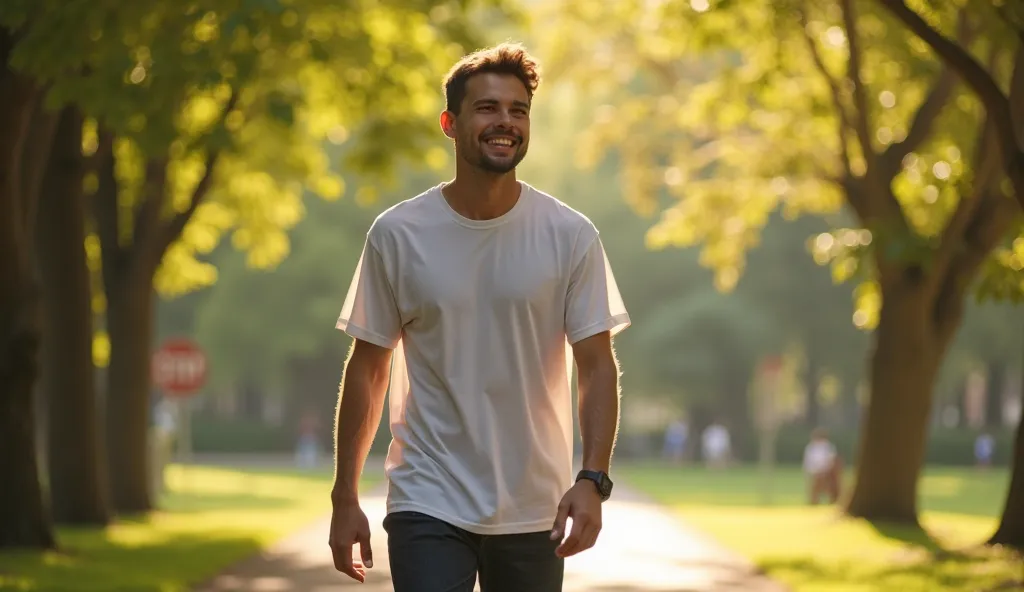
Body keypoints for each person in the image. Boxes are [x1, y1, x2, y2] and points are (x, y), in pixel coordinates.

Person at [327, 43, 630, 592]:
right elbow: (368, 369)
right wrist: (344, 496)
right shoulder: (397, 234)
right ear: (450, 122)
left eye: (518, 109)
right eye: (488, 108)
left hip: (536, 505)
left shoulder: (571, 235)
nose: (505, 122)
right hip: (428, 494)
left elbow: (596, 365)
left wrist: (592, 479)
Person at [803, 428, 840, 505]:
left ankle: (832, 500)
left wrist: (825, 469)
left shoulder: (828, 446)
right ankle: (814, 501)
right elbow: (808, 461)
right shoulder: (811, 447)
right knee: (815, 487)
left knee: (827, 487)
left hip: (826, 471)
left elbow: (831, 459)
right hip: (815, 471)